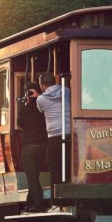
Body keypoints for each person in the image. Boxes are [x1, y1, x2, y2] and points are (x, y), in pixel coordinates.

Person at [36, 72, 71, 213]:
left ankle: (57, 204)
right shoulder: (67, 91)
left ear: (43, 85)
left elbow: (40, 111)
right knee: (69, 168)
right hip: (69, 133)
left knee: (55, 170)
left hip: (54, 137)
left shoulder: (41, 99)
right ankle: (71, 200)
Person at [16, 82, 47, 213]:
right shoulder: (43, 107)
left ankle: (39, 204)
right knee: (33, 176)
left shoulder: (25, 110)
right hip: (42, 147)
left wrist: (27, 103)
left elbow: (20, 123)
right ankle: (30, 203)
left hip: (29, 147)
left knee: (32, 177)